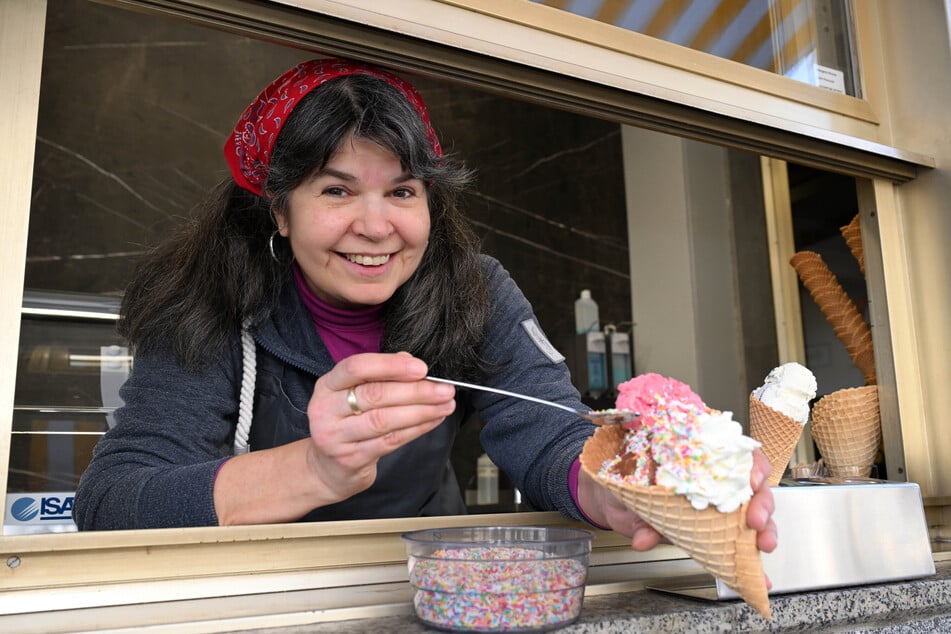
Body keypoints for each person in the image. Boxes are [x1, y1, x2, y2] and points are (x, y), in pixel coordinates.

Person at [73, 58, 777, 558]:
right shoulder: (210, 300)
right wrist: (315, 469)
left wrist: (617, 492)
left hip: (421, 581)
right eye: (337, 191)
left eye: (404, 192)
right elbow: (113, 504)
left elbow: (547, 429)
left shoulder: (475, 287)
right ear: (278, 210)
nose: (377, 227)